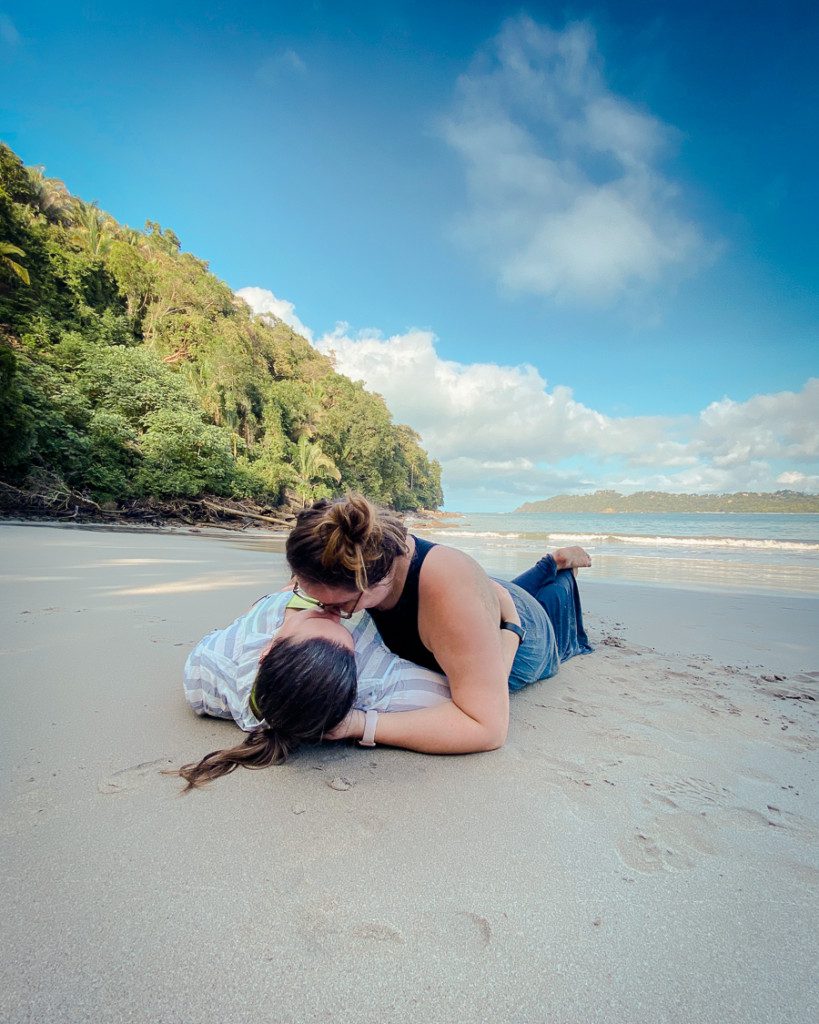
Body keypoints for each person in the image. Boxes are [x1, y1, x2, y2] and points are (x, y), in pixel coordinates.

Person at [286, 494, 592, 755]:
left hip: (523, 628)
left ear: (374, 583)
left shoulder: (447, 590)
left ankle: (558, 568)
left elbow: (487, 728)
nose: (328, 612)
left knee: (555, 607)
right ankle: (545, 566)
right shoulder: (336, 554)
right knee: (496, 594)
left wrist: (360, 724)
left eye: (341, 606)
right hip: (473, 602)